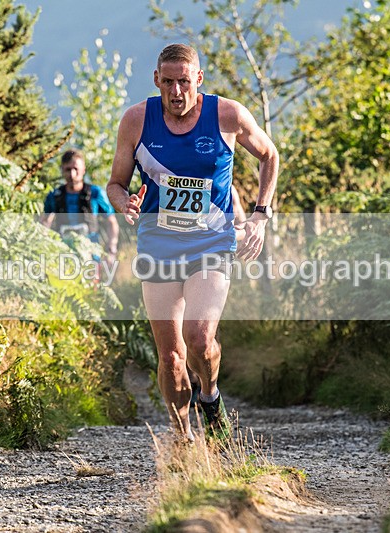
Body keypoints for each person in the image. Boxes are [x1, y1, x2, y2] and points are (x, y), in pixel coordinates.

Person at [106, 44, 279, 442]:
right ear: (157, 81)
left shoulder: (227, 115)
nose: (176, 91)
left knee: (200, 338)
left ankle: (211, 396)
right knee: (170, 357)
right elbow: (116, 183)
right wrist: (124, 203)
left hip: (211, 244)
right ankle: (183, 436)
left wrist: (259, 215)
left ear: (198, 79)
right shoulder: (136, 121)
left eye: (184, 81)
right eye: (168, 82)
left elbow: (269, 155)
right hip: (159, 246)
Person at [42, 149, 119, 268]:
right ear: (62, 170)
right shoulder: (54, 196)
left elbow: (111, 221)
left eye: (75, 169)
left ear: (83, 170)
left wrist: (111, 250)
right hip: (62, 257)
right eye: (68, 169)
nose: (72, 174)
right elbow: (45, 223)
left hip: (91, 258)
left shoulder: (95, 193)